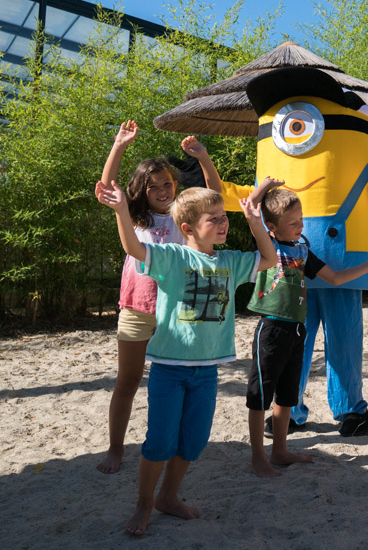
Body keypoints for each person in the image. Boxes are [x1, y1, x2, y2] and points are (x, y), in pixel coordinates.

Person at [94, 182, 275, 536]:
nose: (223, 223)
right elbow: (132, 246)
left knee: (192, 442)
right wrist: (121, 212)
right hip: (169, 370)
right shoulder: (173, 257)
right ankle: (144, 505)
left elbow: (268, 259)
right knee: (160, 442)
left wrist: (256, 222)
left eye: (224, 217)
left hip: (207, 372)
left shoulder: (231, 261)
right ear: (188, 228)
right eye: (214, 219)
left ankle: (168, 498)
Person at [96, 120, 223, 475]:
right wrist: (119, 145)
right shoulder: (133, 214)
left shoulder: (185, 214)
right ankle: (116, 448)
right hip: (137, 306)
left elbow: (215, 195)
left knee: (177, 383)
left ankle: (177, 448)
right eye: (154, 186)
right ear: (143, 189)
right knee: (128, 381)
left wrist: (203, 157)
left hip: (176, 310)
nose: (163, 190)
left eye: (168, 183)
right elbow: (107, 188)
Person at [245, 177, 368, 477]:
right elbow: (250, 211)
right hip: (271, 330)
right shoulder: (267, 246)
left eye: (301, 219)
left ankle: (280, 450)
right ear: (272, 227)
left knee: (287, 395)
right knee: (261, 395)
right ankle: (258, 456)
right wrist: (266, 187)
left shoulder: (302, 251)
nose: (300, 226)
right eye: (292, 222)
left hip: (297, 331)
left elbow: (335, 278)